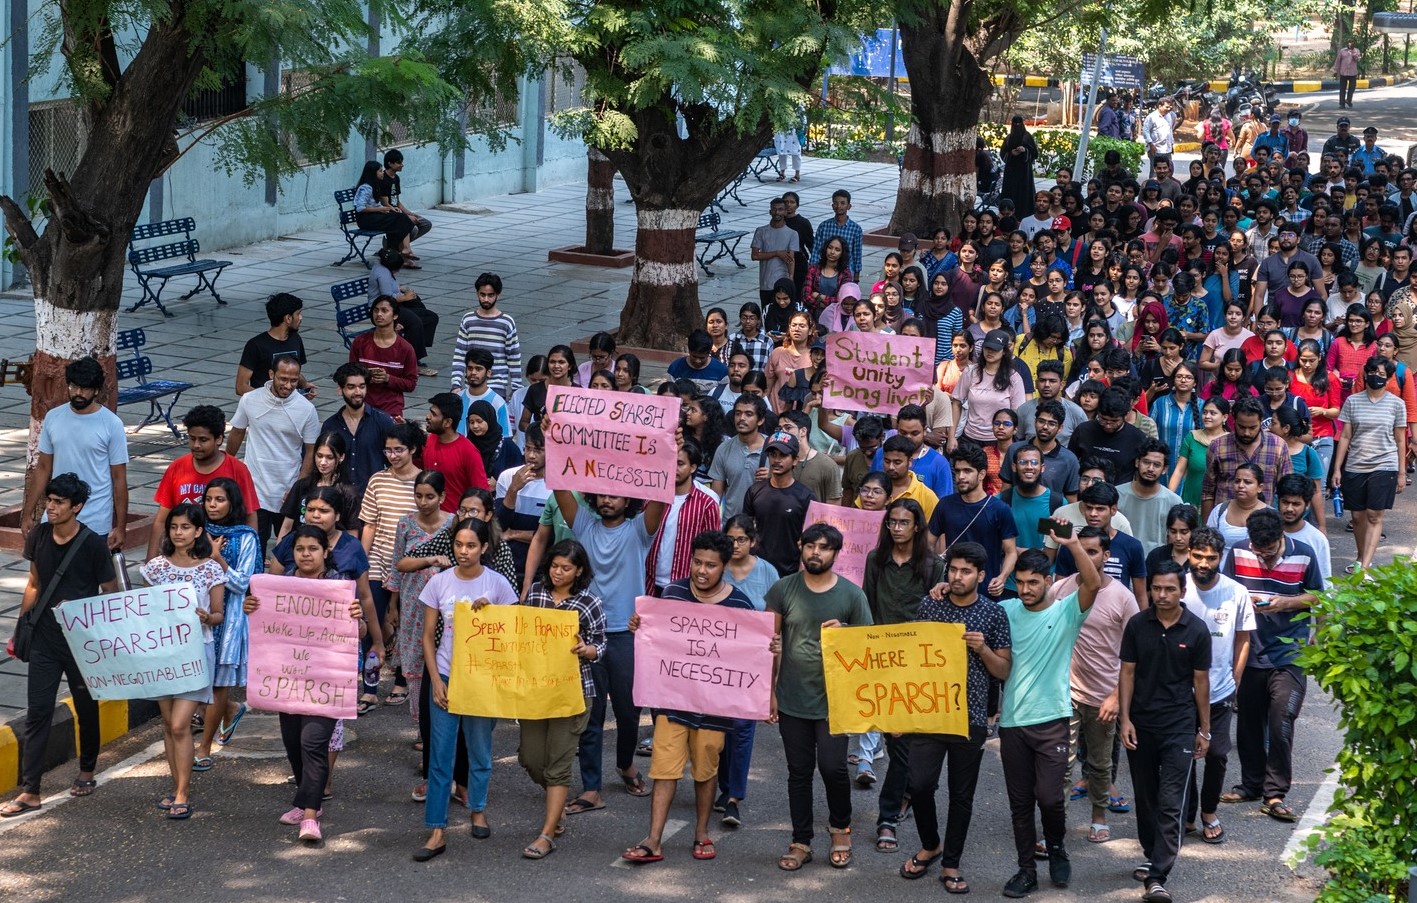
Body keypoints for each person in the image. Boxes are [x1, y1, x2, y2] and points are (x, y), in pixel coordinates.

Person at [621, 531, 766, 864]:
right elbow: (655, 639)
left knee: (705, 770)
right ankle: (653, 839)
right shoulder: (672, 593)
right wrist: (639, 627)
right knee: (664, 769)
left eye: (711, 565)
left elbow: (748, 656)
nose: (702, 570)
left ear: (724, 566)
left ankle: (701, 832)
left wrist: (768, 647)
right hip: (672, 703)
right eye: (697, 562)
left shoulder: (740, 605)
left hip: (714, 708)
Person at [547, 472, 667, 814]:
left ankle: (625, 764)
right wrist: (556, 446)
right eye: (602, 494)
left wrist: (667, 454)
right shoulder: (584, 525)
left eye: (615, 495)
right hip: (587, 635)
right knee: (591, 714)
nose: (607, 500)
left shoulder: (639, 530)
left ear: (628, 500)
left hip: (628, 635)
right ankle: (591, 788)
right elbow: (559, 487)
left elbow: (660, 495)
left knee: (629, 713)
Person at [2, 474, 118, 817]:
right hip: (44, 640)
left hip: (82, 644)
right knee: (38, 711)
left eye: (58, 503)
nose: (50, 508)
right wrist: (21, 627)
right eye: (49, 501)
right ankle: (30, 791)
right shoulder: (39, 535)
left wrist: (95, 624)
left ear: (76, 507)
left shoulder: (93, 544)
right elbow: (34, 583)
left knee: (86, 706)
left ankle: (87, 770)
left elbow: (109, 592)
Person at [242, 525, 367, 843]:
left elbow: (361, 632)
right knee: (294, 744)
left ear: (326, 551)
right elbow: (263, 625)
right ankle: (306, 800)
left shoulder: (340, 586)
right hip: (287, 681)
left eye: (313, 548)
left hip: (326, 683)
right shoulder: (278, 587)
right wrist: (251, 608)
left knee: (313, 743)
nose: (306, 554)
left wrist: (358, 619)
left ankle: (310, 816)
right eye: (300, 549)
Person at [995, 532, 1101, 898]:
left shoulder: (1066, 612)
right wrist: (942, 588)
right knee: (1020, 803)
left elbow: (1093, 583)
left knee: (1051, 797)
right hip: (1012, 723)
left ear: (1049, 581)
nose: (1025, 589)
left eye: (1033, 582)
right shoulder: (1005, 611)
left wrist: (1072, 544)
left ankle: (1056, 846)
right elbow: (968, 613)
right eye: (1021, 582)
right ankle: (1026, 870)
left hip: (1053, 720)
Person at [900, 542, 1011, 892]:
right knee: (919, 785)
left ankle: (951, 863)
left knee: (961, 795)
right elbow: (910, 657)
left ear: (981, 575)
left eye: (966, 571)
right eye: (953, 570)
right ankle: (931, 843)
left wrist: (983, 649)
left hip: (971, 717)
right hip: (930, 712)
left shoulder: (994, 614)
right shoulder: (930, 604)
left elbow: (1003, 670)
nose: (958, 576)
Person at [766, 523, 873, 871]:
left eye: (825, 547)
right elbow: (768, 643)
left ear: (836, 553)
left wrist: (846, 633)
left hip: (835, 700)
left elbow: (869, 647)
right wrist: (770, 691)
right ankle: (801, 841)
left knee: (833, 767)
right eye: (811, 545)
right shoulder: (783, 589)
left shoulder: (852, 595)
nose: (816, 553)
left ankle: (841, 830)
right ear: (800, 546)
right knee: (798, 772)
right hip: (792, 697)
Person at [413, 518, 519, 861]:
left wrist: (493, 613)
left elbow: (513, 634)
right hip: (447, 675)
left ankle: (478, 809)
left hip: (483, 680)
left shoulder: (498, 584)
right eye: (458, 544)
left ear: (484, 547)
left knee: (480, 751)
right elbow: (427, 637)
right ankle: (436, 829)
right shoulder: (439, 582)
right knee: (440, 757)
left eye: (471, 545)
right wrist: (436, 680)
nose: (463, 551)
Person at [1219, 509, 1321, 826]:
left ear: (1281, 537)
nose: (1262, 555)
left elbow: (1317, 596)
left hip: (1290, 653)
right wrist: (1244, 602)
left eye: (1269, 550)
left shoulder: (1304, 553)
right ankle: (1251, 785)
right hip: (1249, 649)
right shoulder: (1239, 552)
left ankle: (1275, 794)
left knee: (1282, 720)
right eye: (1258, 549)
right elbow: (1226, 590)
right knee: (1249, 722)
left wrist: (1286, 603)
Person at [1119, 558, 1212, 901]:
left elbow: (1201, 683)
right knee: (1145, 797)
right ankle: (1151, 853)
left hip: (1179, 726)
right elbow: (1127, 673)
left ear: (1182, 591)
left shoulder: (1197, 629)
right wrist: (1125, 719)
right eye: (1156, 588)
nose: (1162, 594)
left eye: (1170, 589)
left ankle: (1157, 876)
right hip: (1141, 724)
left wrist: (1204, 730)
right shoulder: (1137, 625)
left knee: (1171, 801)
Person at [857, 499, 944, 853]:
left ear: (917, 526)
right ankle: (898, 804)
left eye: (903, 522)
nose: (896, 528)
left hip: (918, 665)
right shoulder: (875, 560)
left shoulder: (933, 565)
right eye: (891, 522)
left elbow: (939, 617)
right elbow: (866, 607)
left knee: (905, 744)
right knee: (896, 744)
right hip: (881, 660)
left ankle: (888, 816)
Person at [519, 539, 606, 859]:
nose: (558, 572)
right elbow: (517, 629)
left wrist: (587, 649)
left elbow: (601, 645)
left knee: (558, 765)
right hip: (536, 690)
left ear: (579, 571)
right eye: (554, 566)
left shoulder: (590, 602)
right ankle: (556, 808)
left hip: (573, 693)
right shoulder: (536, 594)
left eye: (566, 568)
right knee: (530, 758)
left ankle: (547, 833)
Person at [1055, 527, 1141, 845]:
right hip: (1067, 693)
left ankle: (1099, 819)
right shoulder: (1061, 589)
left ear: (1106, 556)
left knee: (1100, 764)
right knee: (1062, 764)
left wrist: (1116, 696)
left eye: (1092, 551)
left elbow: (1136, 653)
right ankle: (1056, 826)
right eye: (1081, 550)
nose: (1086, 557)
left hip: (1104, 696)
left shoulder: (1123, 597)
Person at [140, 503, 224, 820]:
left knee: (179, 724)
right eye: (174, 527)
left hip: (196, 654)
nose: (178, 533)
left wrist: (207, 617)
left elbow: (219, 614)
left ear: (198, 531)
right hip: (163, 654)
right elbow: (144, 609)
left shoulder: (211, 569)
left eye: (186, 527)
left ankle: (183, 793)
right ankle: (176, 787)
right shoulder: (155, 568)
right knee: (167, 724)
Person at [1181, 527, 1255, 845]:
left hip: (1220, 691)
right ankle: (1186, 815)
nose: (1204, 563)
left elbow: (1243, 639)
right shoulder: (1177, 588)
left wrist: (1235, 680)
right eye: (1198, 556)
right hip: (1181, 692)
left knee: (1217, 755)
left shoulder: (1236, 592)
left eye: (1211, 558)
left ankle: (1209, 813)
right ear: (1188, 554)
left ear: (1220, 558)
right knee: (1182, 756)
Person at [22, 356, 129, 549]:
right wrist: (27, 513)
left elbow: (119, 478)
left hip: (95, 520)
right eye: (74, 386)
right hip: (56, 517)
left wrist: (121, 527)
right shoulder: (53, 418)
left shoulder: (112, 424)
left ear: (96, 390)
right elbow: (43, 468)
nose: (78, 393)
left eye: (85, 388)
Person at [195, 477, 262, 765]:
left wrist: (217, 558)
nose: (212, 505)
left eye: (219, 500)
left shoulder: (246, 536)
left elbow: (243, 583)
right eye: (208, 499)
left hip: (230, 618)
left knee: (218, 684)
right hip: (196, 615)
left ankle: (204, 748)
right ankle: (230, 709)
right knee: (196, 681)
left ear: (232, 503)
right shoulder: (196, 530)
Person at [227, 355, 320, 549]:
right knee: (254, 546)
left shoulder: (307, 409)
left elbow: (311, 451)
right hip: (255, 488)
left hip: (288, 489)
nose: (288, 385)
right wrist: (227, 464)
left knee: (289, 548)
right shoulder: (250, 400)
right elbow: (237, 432)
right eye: (283, 379)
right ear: (271, 374)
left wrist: (298, 487)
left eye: (294, 380)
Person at [148, 406, 260, 560]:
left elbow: (250, 516)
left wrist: (250, 555)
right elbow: (161, 520)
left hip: (224, 557)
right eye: (192, 438)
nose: (196, 445)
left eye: (203, 440)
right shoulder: (176, 468)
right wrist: (150, 561)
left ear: (219, 439)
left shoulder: (238, 470)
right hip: (183, 556)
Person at [1331, 354, 1408, 572]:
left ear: (1389, 378)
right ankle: (1360, 557)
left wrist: (1402, 472)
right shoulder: (1353, 401)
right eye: (1372, 372)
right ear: (1365, 374)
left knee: (1374, 515)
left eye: (1381, 373)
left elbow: (1400, 440)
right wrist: (1337, 469)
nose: (1376, 376)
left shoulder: (1397, 404)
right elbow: (1345, 436)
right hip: (1356, 464)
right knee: (1357, 516)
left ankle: (1364, 568)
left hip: (1385, 464)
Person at [928, 441, 1018, 597]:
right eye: (957, 471)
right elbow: (928, 545)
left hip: (986, 592)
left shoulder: (1000, 509)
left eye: (967, 471)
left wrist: (1002, 578)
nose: (961, 477)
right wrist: (935, 576)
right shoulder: (945, 505)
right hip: (951, 589)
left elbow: (1011, 552)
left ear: (982, 474)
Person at [1200, 396, 1293, 521]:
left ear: (1261, 421)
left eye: (1252, 427)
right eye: (1242, 427)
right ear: (1234, 421)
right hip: (1225, 523)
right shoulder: (1218, 446)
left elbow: (1286, 491)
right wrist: (1208, 526)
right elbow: (1208, 492)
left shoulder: (1278, 446)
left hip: (1264, 523)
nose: (1246, 433)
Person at [743, 431, 818, 575]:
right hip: (758, 569)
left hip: (790, 572)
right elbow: (745, 529)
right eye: (773, 454)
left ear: (795, 460)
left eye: (783, 455)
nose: (776, 460)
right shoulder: (755, 491)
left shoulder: (806, 496)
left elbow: (811, 538)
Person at [321, 363, 395, 500]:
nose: (358, 392)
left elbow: (395, 462)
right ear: (340, 390)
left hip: (374, 499)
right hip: (340, 500)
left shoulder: (383, 421)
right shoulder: (330, 425)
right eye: (351, 387)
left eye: (362, 386)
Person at [450, 272, 522, 400]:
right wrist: (456, 383)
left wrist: (516, 388)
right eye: (482, 295)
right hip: (471, 384)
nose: (486, 299)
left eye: (490, 295)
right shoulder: (468, 320)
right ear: (477, 294)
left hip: (497, 386)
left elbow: (514, 358)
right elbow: (460, 354)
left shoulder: (506, 322)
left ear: (498, 295)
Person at [366, 248, 438, 374]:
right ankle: (412, 359)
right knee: (415, 321)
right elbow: (387, 298)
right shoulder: (382, 274)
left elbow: (392, 289)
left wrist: (403, 291)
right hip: (383, 310)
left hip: (395, 306)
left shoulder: (384, 268)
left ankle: (414, 349)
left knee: (430, 317)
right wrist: (405, 298)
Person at [350, 294, 419, 417]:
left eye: (384, 310)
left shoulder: (406, 349)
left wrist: (388, 378)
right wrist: (366, 376)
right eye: (376, 310)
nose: (379, 314)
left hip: (391, 410)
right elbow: (349, 374)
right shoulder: (360, 342)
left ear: (395, 315)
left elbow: (411, 384)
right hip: (361, 407)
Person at [235, 293, 311, 396]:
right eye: (298, 314)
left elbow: (293, 373)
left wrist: (305, 385)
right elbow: (241, 387)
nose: (301, 318)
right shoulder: (256, 345)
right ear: (288, 318)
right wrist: (269, 399)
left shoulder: (296, 339)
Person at [424, 392, 490, 509]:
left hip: (455, 518)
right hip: (428, 516)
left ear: (448, 422)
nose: (428, 417)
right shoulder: (429, 441)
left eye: (433, 414)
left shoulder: (468, 451)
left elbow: (481, 493)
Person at [1115, 439, 1183, 555]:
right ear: (1137, 462)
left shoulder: (1174, 501)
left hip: (1158, 562)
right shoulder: (1117, 494)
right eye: (1146, 462)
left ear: (1164, 469)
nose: (1150, 468)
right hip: (1123, 558)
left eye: (1157, 465)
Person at [1068, 387, 1149, 482]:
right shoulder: (1083, 430)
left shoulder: (1137, 438)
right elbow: (1070, 463)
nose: (1108, 425)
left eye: (1114, 421)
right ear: (1098, 412)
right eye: (1103, 419)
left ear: (1126, 415)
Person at [709, 394, 770, 520]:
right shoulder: (724, 449)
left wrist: (774, 477)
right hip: (731, 524)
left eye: (748, 414)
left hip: (763, 524)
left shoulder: (774, 449)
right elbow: (715, 496)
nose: (741, 418)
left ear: (760, 420)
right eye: (738, 413)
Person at [352, 160, 414, 257]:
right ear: (373, 173)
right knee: (400, 219)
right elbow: (360, 208)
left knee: (401, 217)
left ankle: (402, 250)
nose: (383, 173)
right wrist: (381, 209)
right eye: (380, 171)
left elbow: (376, 205)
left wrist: (390, 208)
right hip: (366, 220)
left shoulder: (375, 185)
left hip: (374, 216)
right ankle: (401, 250)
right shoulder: (366, 188)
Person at [374, 148, 433, 246]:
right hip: (389, 214)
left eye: (401, 162)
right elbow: (385, 204)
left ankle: (393, 246)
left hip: (398, 212)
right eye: (398, 162)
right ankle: (396, 247)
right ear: (390, 164)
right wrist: (406, 217)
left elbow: (397, 202)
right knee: (413, 229)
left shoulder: (396, 178)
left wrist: (410, 213)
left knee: (425, 224)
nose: (402, 165)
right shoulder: (383, 179)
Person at [752, 198, 800, 308]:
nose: (777, 212)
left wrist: (791, 279)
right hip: (765, 283)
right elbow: (754, 255)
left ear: (785, 212)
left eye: (780, 209)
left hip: (782, 283)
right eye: (774, 209)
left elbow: (790, 259)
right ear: (770, 211)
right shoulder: (761, 231)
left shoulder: (792, 234)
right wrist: (777, 253)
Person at [818, 189, 864, 278]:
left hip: (846, 273)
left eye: (842, 203)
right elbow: (817, 251)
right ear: (832, 206)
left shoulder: (856, 229)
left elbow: (857, 255)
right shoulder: (824, 226)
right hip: (825, 271)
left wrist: (856, 278)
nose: (839, 206)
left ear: (849, 206)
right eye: (836, 203)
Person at [667, 328, 730, 392]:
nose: (697, 361)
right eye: (694, 356)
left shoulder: (722, 371)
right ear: (689, 351)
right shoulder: (675, 367)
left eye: (702, 358)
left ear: (709, 353)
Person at [1001, 116, 1039, 217]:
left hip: (1024, 172)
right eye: (1015, 124)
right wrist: (1012, 153)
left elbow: (1034, 154)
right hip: (1011, 171)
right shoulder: (1009, 138)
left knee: (1024, 194)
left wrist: (1025, 151)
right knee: (1010, 193)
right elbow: (1003, 153)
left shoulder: (1027, 137)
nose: (1017, 126)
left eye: (1019, 124)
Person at [1334, 38, 1361, 108]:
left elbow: (1357, 59)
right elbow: (1338, 60)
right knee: (1342, 89)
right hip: (1343, 72)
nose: (1350, 43)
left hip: (1352, 73)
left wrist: (1352, 52)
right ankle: (1342, 103)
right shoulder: (1342, 51)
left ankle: (1348, 100)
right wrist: (1335, 70)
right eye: (1349, 42)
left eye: (1351, 42)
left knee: (1352, 88)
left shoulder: (1356, 51)